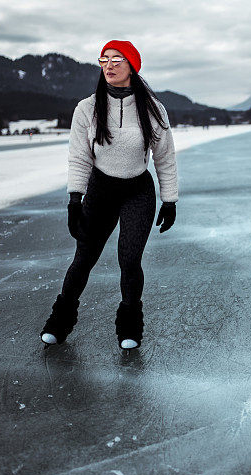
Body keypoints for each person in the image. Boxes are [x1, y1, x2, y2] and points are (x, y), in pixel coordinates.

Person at [40, 39, 179, 351]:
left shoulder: (153, 109)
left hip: (137, 191)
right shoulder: (86, 109)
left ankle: (129, 325)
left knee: (130, 260)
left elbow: (165, 158)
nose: (110, 64)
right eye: (104, 59)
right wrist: (75, 199)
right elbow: (79, 157)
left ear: (132, 66)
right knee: (84, 258)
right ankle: (60, 321)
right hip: (101, 190)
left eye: (117, 59)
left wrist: (169, 199)